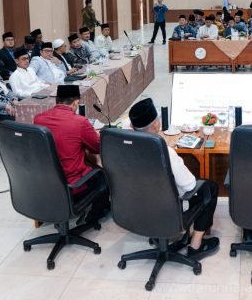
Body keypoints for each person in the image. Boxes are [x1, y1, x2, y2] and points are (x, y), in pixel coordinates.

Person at [129, 98, 220, 259]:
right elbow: (189, 185)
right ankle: (195, 245)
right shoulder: (165, 152)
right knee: (209, 187)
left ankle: (160, 235)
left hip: (137, 209)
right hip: (166, 212)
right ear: (156, 125)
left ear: (132, 126)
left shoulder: (124, 148)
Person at [34, 85, 108, 205]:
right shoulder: (80, 122)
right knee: (106, 177)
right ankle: (96, 212)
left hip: (46, 181)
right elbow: (97, 148)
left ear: (57, 100)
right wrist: (95, 134)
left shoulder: (38, 119)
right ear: (75, 103)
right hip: (73, 185)